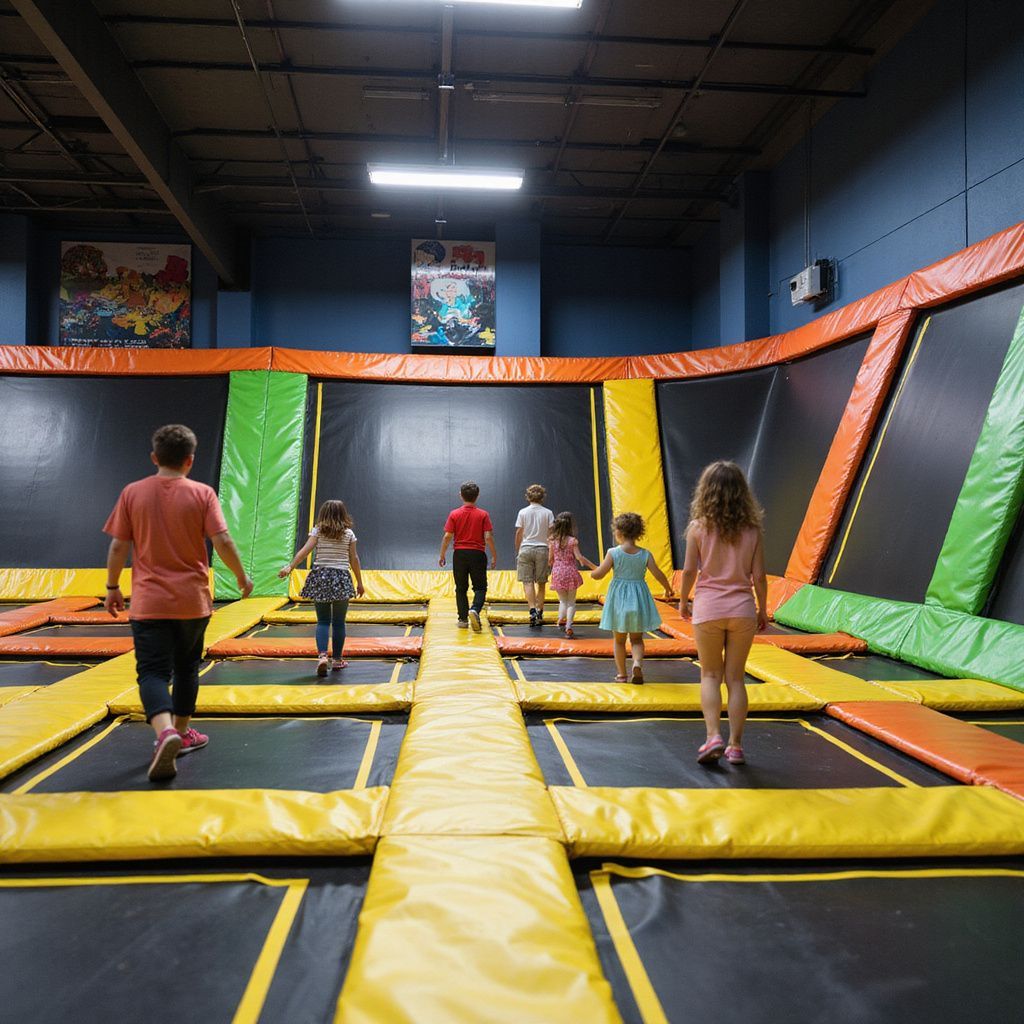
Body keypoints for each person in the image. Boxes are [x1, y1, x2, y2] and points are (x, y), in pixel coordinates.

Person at [104, 424, 253, 782]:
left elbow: (118, 546)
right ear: (190, 460)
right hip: (192, 602)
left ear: (155, 457)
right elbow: (223, 541)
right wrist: (241, 577)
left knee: (153, 672)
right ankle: (183, 731)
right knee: (187, 668)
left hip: (149, 601)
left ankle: (165, 731)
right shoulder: (202, 493)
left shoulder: (133, 493)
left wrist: (111, 586)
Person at [678, 461, 768, 766]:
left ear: (706, 492)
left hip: (709, 607)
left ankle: (713, 735)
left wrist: (682, 601)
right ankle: (735, 746)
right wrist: (763, 610)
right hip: (742, 608)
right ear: (742, 491)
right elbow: (759, 577)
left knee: (710, 674)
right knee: (736, 679)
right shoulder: (752, 529)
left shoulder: (698, 528)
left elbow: (690, 570)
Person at [279, 499, 364, 677]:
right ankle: (338, 660)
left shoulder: (318, 532)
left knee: (323, 621)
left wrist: (290, 567)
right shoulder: (349, 533)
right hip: (341, 577)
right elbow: (353, 559)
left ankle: (322, 656)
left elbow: (304, 551)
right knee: (339, 622)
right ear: (343, 514)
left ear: (323, 514)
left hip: (321, 577)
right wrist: (360, 582)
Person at [591, 513, 673, 684]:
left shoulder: (613, 553)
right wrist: (668, 588)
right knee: (636, 639)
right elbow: (658, 574)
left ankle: (621, 675)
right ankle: (637, 663)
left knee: (619, 641)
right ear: (638, 533)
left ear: (618, 532)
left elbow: (599, 575)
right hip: (638, 600)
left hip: (618, 601)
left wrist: (593, 572)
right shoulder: (645, 554)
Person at [439, 481, 497, 631]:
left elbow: (447, 536)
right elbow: (488, 537)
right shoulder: (483, 514)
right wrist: (494, 555)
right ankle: (475, 609)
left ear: (461, 496)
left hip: (459, 555)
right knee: (480, 587)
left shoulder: (454, 514)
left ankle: (463, 619)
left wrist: (442, 554)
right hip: (478, 554)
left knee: (460, 588)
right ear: (477, 496)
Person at [548, 511, 597, 639]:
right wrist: (594, 567)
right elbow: (580, 558)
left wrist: (554, 566)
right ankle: (568, 626)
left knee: (562, 600)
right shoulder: (572, 541)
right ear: (570, 526)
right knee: (571, 602)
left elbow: (550, 559)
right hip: (570, 572)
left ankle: (560, 619)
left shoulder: (553, 541)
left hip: (558, 572)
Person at [514, 484, 555, 627]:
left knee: (527, 581)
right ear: (542, 497)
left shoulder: (523, 512)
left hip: (526, 548)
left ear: (528, 497)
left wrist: (518, 549)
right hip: (543, 549)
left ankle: (531, 609)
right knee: (541, 582)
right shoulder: (548, 513)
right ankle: (540, 610)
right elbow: (551, 534)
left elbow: (519, 532)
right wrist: (552, 551)